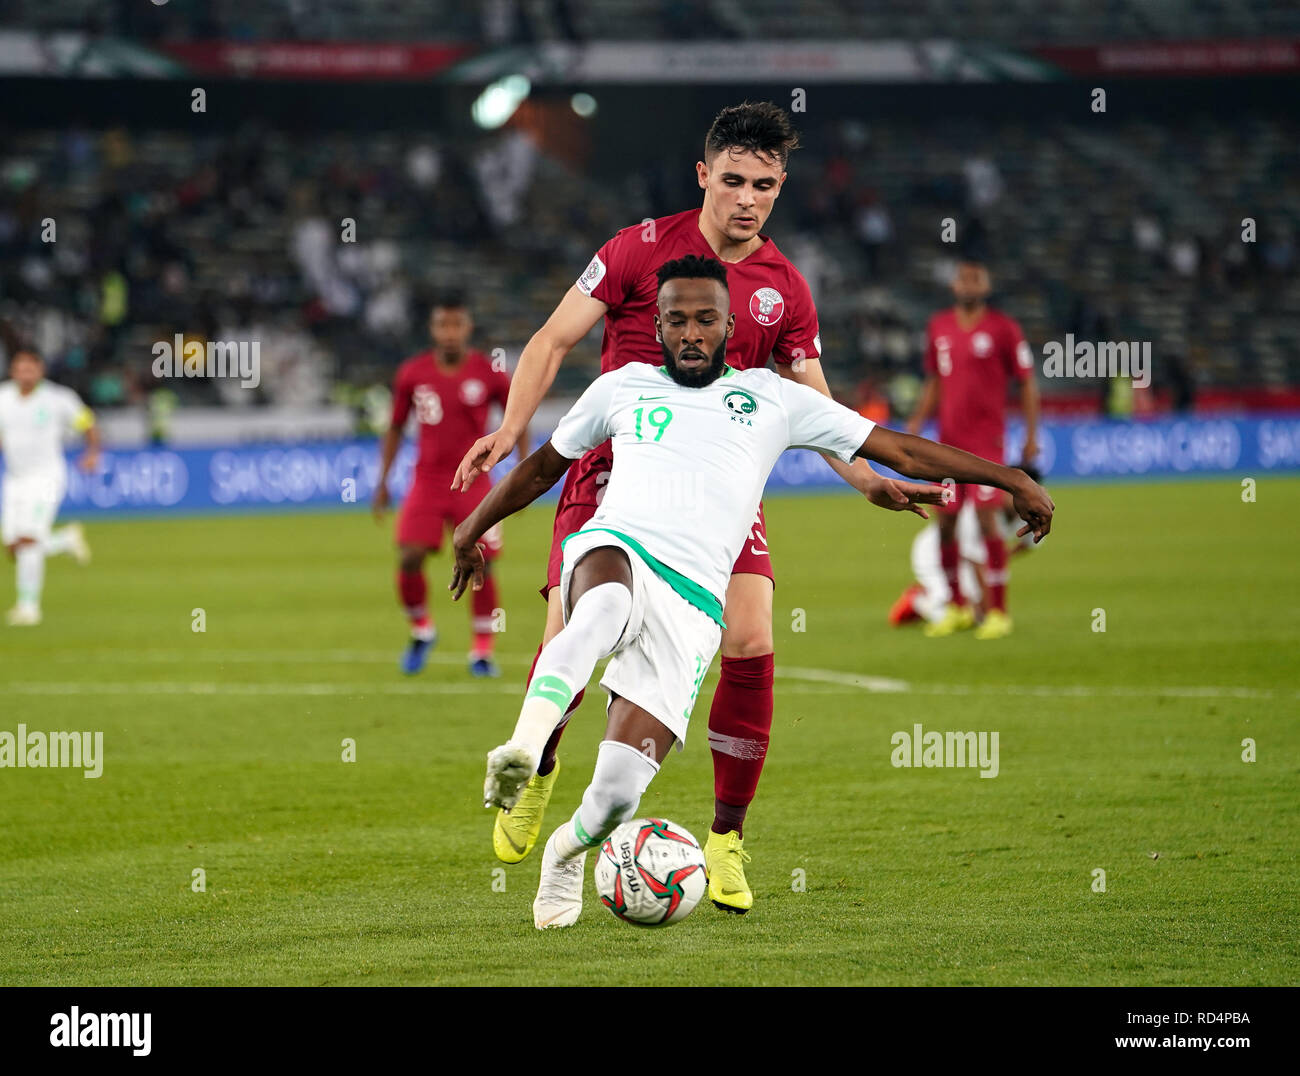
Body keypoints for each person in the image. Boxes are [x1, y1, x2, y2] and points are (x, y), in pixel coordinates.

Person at [450, 255, 1054, 929]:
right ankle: (524, 750)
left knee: (617, 796)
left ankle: (564, 852)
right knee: (596, 613)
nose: (691, 333)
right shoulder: (622, 387)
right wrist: (470, 530)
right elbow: (541, 470)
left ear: (729, 325)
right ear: (657, 324)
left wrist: (1011, 480)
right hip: (617, 547)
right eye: (675, 319)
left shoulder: (774, 399)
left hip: (694, 608)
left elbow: (899, 449)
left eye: (706, 319)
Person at [453, 102, 931, 912]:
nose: (748, 198)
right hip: (610, 470)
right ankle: (538, 771)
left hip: (716, 492)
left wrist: (861, 477)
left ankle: (727, 839)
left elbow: (817, 401)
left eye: (766, 186)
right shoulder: (639, 247)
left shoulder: (785, 289)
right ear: (705, 174)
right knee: (570, 634)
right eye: (735, 180)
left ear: (781, 188)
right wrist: (511, 425)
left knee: (751, 634)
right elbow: (549, 340)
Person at [373, 295, 526, 676]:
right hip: (427, 480)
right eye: (443, 325)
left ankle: (482, 651)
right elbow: (394, 427)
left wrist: (521, 471)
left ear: (468, 327)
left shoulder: (489, 372)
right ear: (432, 328)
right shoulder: (412, 373)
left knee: (482, 564)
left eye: (457, 325)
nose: (450, 333)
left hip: (474, 481)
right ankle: (422, 630)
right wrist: (382, 481)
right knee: (408, 555)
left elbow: (517, 417)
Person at [907, 256, 1040, 640]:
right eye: (963, 279)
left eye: (976, 278)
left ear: (986, 286)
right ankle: (956, 606)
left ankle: (999, 611)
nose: (969, 285)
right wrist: (917, 420)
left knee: (986, 521)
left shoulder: (1004, 329)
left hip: (986, 446)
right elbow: (934, 378)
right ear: (954, 286)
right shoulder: (939, 327)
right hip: (947, 443)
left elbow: (1027, 382)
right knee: (945, 522)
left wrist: (1032, 435)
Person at [0, 348, 96, 626]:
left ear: (40, 370)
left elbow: (87, 422)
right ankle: (65, 540)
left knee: (29, 539)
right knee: (13, 546)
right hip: (14, 479)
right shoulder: (4, 398)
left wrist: (92, 452)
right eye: (20, 368)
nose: (25, 374)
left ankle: (28, 608)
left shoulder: (58, 399)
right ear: (13, 371)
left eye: (30, 368)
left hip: (45, 477)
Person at [889, 466, 1043, 627]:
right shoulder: (980, 514)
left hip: (965, 559)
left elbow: (1028, 544)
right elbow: (975, 560)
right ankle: (917, 600)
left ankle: (942, 598)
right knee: (957, 616)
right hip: (934, 554)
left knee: (974, 615)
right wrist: (989, 610)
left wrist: (1000, 559)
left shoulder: (1029, 514)